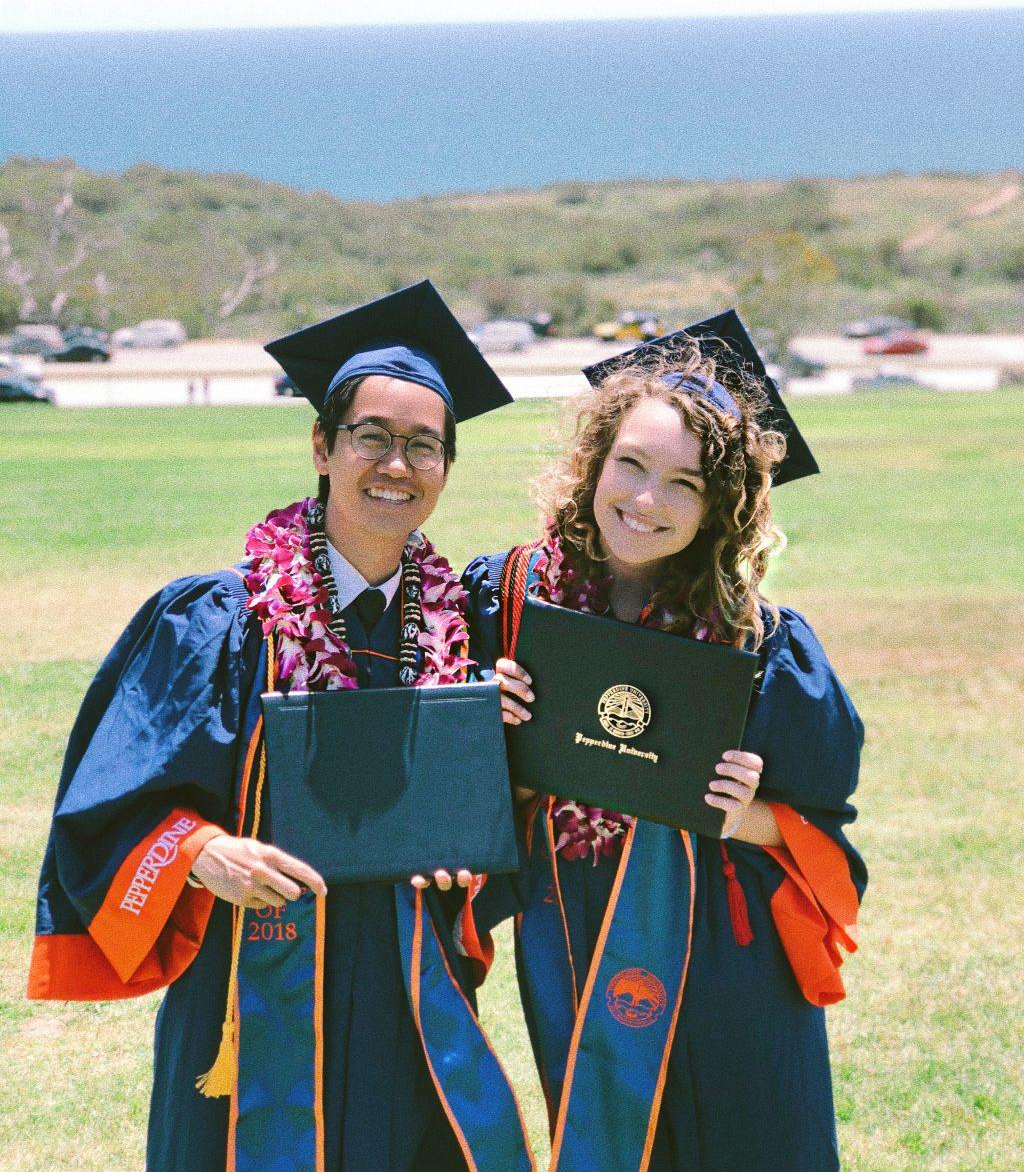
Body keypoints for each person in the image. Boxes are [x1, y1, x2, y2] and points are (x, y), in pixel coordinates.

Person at [28, 281, 533, 1172]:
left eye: (424, 446)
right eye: (371, 436)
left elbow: (497, 819)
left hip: (408, 992)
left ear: (447, 467)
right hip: (249, 978)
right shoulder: (220, 617)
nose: (397, 465)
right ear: (321, 446)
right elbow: (112, 800)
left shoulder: (466, 628)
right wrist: (199, 852)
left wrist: (479, 827)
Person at [463, 313, 866, 1171]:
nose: (646, 501)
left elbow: (826, 840)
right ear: (594, 462)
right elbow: (458, 799)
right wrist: (486, 731)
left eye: (684, 483)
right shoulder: (508, 599)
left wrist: (747, 815)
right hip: (568, 933)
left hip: (725, 965)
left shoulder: (762, 643)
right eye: (631, 465)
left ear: (724, 504)